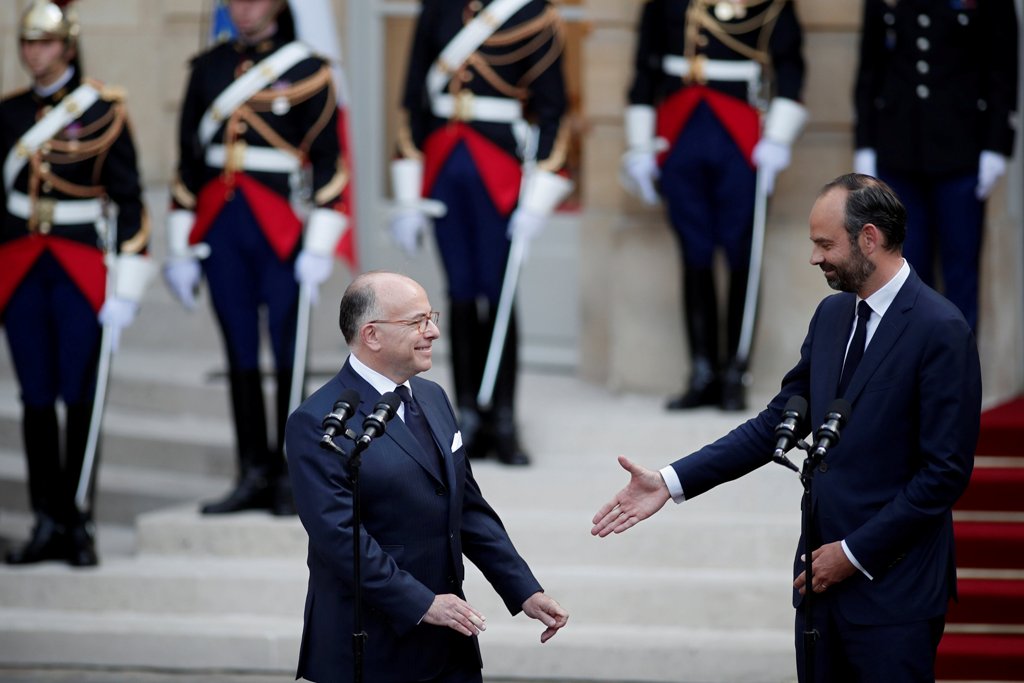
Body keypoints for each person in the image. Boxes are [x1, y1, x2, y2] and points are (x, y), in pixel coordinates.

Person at [592, 174, 982, 681]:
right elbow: (776, 422)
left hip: (895, 596)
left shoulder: (941, 328)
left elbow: (944, 474)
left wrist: (852, 554)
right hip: (819, 591)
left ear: (869, 238)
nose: (815, 258)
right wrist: (670, 482)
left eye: (825, 244)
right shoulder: (832, 315)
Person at [285, 271, 568, 683]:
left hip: (450, 642)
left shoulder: (433, 397)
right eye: (417, 322)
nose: (433, 332)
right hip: (373, 645)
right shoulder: (318, 421)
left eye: (430, 318)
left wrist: (524, 588)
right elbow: (340, 537)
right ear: (372, 335)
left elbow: (467, 508)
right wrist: (422, 603)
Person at [163, 0, 350, 515]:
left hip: (280, 232)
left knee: (289, 351)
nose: (243, 9)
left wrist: (320, 242)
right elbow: (188, 162)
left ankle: (293, 475)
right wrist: (180, 244)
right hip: (221, 229)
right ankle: (251, 471)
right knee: (239, 350)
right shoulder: (208, 67)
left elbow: (329, 162)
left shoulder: (308, 70)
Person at [0, 0, 151, 567]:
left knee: (80, 394)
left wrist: (128, 284)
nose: (34, 53)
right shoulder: (9, 113)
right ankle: (46, 519)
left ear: (66, 46)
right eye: (27, 42)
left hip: (80, 268)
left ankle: (78, 519)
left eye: (44, 42)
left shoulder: (102, 112)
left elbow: (130, 199)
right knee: (35, 396)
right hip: (19, 266)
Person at [390, 0, 572, 466]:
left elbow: (553, 109)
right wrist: (408, 192)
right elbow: (413, 100)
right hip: (444, 167)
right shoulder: (438, 9)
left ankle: (504, 417)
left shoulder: (533, 13)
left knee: (499, 291)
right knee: (460, 292)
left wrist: (539, 194)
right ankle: (467, 413)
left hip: (500, 170)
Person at [621, 0, 806, 411]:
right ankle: (702, 371)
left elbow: (790, 65)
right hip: (679, 128)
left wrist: (778, 137)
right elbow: (645, 67)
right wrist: (639, 146)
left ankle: (735, 372)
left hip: (739, 132)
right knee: (694, 251)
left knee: (742, 252)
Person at [853, 0, 1019, 333]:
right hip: (898, 150)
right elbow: (870, 67)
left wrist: (996, 144)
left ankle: (957, 365)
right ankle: (911, 365)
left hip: (962, 150)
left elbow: (1002, 65)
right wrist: (865, 143)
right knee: (904, 273)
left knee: (961, 273)